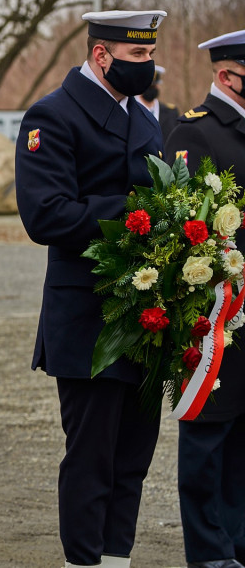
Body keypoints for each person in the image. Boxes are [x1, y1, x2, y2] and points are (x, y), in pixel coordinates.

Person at [15, 9, 168, 568]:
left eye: (149, 55)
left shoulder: (143, 117)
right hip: (89, 317)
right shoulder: (53, 116)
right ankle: (83, 561)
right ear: (101, 55)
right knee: (92, 458)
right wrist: (136, 214)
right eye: (136, 57)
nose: (146, 66)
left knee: (133, 458)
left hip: (145, 314)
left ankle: (116, 560)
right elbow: (47, 216)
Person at [164, 28, 245, 568]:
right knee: (210, 432)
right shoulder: (195, 133)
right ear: (226, 75)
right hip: (217, 312)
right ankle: (210, 551)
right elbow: (185, 223)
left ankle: (238, 543)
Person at [135, 64, 180, 142]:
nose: (151, 89)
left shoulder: (171, 113)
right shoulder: (129, 110)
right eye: (148, 87)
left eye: (154, 86)